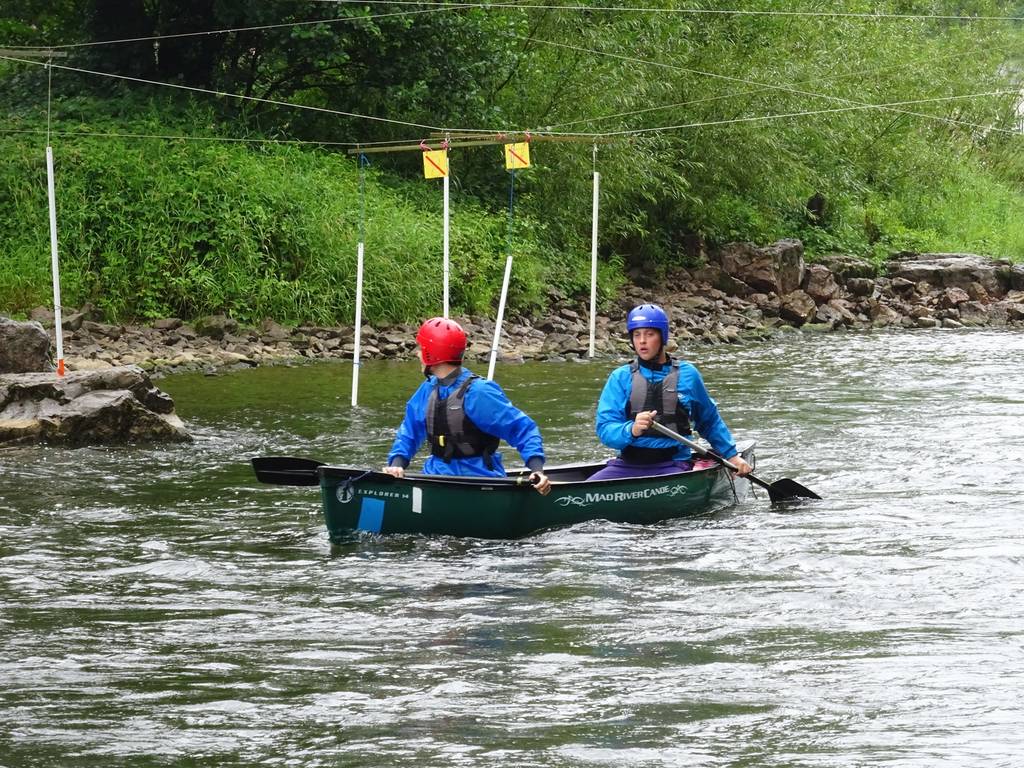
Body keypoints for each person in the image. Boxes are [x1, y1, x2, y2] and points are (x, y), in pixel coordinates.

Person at [382, 317, 551, 495]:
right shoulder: (428, 389)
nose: (417, 354)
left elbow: (522, 429)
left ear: (432, 353)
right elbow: (410, 432)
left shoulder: (479, 393)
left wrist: (537, 470)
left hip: (480, 482)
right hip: (435, 478)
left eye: (421, 349)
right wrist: (396, 466)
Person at [590, 303, 753, 481]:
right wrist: (632, 429)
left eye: (649, 334)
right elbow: (605, 428)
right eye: (637, 335)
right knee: (589, 488)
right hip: (628, 465)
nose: (642, 341)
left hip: (674, 465)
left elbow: (709, 421)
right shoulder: (620, 377)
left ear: (662, 336)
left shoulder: (688, 375)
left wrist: (732, 456)